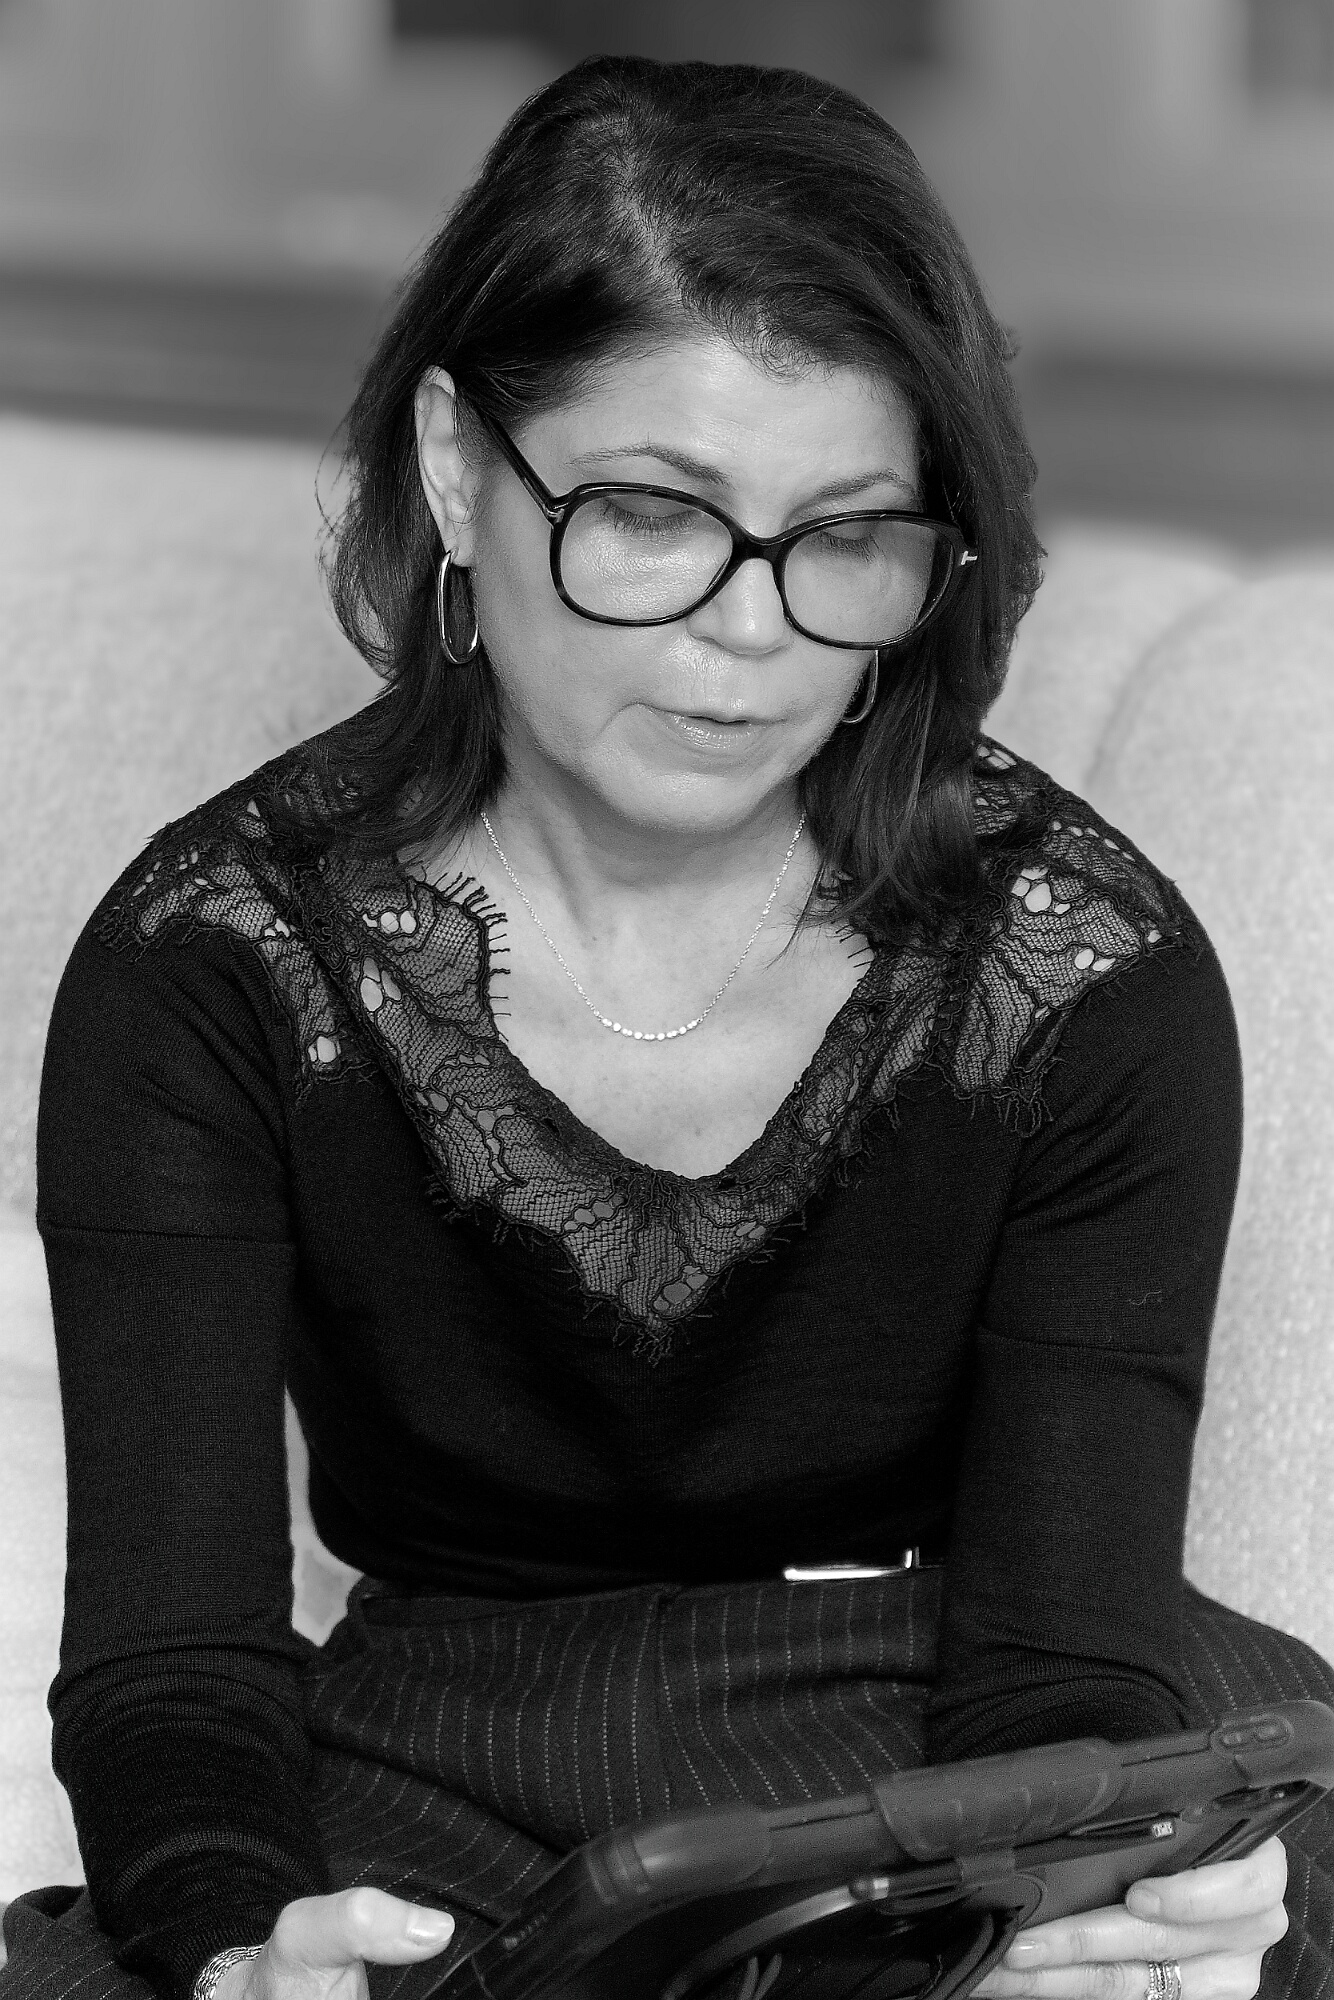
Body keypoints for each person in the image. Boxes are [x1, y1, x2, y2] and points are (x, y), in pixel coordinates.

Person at [2, 53, 1329, 2000]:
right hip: (441, 1738)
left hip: (942, 1723)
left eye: (847, 535)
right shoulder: (213, 964)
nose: (751, 631)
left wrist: (1055, 1916)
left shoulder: (1080, 971)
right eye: (650, 511)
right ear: (457, 468)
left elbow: (1059, 1652)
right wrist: (234, 1944)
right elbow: (173, 1658)